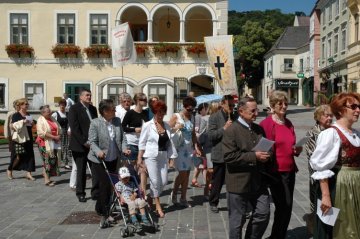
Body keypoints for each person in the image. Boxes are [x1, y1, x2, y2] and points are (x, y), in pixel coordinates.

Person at [310, 92, 360, 239]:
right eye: (354, 107)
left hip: (356, 184)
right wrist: (325, 196)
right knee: (338, 227)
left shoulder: (356, 133)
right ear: (340, 110)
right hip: (339, 187)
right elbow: (321, 167)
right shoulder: (331, 134)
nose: (358, 110)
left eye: (359, 106)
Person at [223, 97, 270, 239]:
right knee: (237, 221)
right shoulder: (231, 130)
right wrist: (254, 156)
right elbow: (229, 157)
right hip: (238, 183)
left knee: (263, 213)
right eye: (253, 110)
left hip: (257, 181)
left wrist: (268, 154)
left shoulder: (258, 128)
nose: (256, 113)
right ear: (241, 111)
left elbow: (266, 146)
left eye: (257, 110)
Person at [259, 90, 302, 239]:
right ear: (273, 105)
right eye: (280, 104)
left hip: (289, 170)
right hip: (275, 172)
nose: (284, 106)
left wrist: (297, 149)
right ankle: (276, 236)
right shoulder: (266, 124)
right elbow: (262, 148)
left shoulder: (288, 123)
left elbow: (292, 145)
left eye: (286, 103)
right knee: (283, 204)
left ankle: (279, 235)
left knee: (287, 207)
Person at [87, 99, 129, 228]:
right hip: (99, 160)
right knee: (104, 185)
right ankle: (105, 213)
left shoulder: (116, 121)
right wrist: (98, 151)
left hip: (113, 158)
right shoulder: (95, 123)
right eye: (112, 109)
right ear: (105, 111)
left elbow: (122, 138)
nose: (115, 111)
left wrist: (124, 148)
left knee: (112, 185)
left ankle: (102, 207)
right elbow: (92, 141)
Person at [137, 100, 178, 218]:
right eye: (158, 112)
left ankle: (151, 197)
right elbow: (142, 142)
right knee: (155, 182)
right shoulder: (148, 125)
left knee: (164, 181)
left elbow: (170, 143)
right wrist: (140, 158)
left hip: (163, 156)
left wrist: (172, 158)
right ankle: (158, 205)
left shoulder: (166, 126)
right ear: (154, 112)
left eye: (162, 112)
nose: (160, 114)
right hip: (151, 156)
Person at [303, 105, 333, 235]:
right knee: (318, 202)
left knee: (330, 203)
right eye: (326, 115)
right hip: (317, 175)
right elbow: (313, 156)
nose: (330, 118)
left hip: (332, 174)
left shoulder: (333, 130)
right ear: (318, 117)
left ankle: (327, 229)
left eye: (331, 115)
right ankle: (316, 228)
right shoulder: (312, 133)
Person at [169, 96, 201, 208]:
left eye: (192, 109)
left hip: (189, 149)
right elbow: (166, 129)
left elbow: (192, 134)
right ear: (184, 106)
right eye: (188, 109)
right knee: (182, 173)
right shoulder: (176, 116)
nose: (190, 111)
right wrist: (176, 127)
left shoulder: (192, 117)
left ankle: (183, 198)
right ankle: (174, 193)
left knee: (187, 174)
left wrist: (196, 147)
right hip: (179, 149)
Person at [68, 88, 98, 203]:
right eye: (86, 95)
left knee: (95, 169)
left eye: (90, 95)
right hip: (80, 145)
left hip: (93, 144)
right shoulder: (74, 108)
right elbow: (75, 128)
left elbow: (96, 124)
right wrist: (84, 142)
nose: (89, 97)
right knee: (81, 170)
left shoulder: (93, 109)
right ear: (80, 97)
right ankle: (80, 193)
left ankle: (95, 192)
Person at [207, 95, 236, 213]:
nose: (232, 108)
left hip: (233, 153)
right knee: (217, 181)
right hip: (220, 154)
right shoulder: (214, 117)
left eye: (233, 105)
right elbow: (211, 136)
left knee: (233, 181)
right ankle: (213, 202)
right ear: (222, 104)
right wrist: (224, 128)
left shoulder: (236, 116)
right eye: (230, 105)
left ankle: (234, 203)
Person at [122, 92, 149, 196]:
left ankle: (143, 192)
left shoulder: (146, 113)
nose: (145, 102)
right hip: (131, 142)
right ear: (138, 101)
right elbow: (123, 127)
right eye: (144, 100)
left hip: (142, 144)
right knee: (132, 168)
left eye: (146, 100)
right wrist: (134, 129)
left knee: (143, 167)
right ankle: (132, 190)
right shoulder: (130, 113)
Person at [8, 98, 36, 180]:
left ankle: (29, 173)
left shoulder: (28, 114)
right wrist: (23, 122)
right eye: (25, 104)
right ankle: (10, 170)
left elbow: (32, 123)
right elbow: (13, 126)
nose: (27, 105)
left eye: (27, 104)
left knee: (30, 154)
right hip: (19, 138)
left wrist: (33, 122)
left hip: (28, 136)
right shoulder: (16, 115)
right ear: (20, 105)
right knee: (16, 155)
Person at [36, 105, 61, 186]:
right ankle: (47, 180)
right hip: (44, 143)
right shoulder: (40, 120)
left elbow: (58, 128)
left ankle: (46, 175)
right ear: (43, 113)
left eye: (50, 111)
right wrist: (54, 137)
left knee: (52, 160)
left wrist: (58, 136)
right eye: (48, 111)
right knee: (47, 161)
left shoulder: (52, 118)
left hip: (53, 142)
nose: (51, 112)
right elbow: (41, 133)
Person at [199, 102, 220, 200]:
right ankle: (207, 189)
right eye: (218, 108)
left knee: (216, 170)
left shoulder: (222, 119)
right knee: (211, 170)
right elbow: (201, 133)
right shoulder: (205, 119)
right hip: (209, 145)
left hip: (219, 145)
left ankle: (213, 189)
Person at [191, 103, 209, 188]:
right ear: (203, 109)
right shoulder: (198, 117)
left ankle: (195, 179)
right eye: (207, 108)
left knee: (201, 163)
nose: (208, 110)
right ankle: (207, 184)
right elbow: (197, 131)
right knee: (203, 164)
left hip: (200, 142)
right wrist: (196, 145)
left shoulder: (201, 117)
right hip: (199, 143)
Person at [52, 99, 71, 170]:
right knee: (58, 148)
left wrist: (69, 130)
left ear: (65, 106)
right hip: (58, 133)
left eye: (63, 105)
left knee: (66, 147)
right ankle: (57, 162)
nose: (62, 106)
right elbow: (51, 122)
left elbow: (70, 124)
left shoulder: (67, 114)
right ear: (59, 105)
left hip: (66, 132)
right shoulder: (55, 114)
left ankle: (66, 163)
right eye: (61, 105)